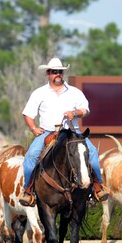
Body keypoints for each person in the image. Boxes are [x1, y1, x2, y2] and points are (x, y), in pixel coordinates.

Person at [19, 58, 106, 205]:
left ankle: (97, 187)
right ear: (48, 73)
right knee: (31, 157)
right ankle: (28, 190)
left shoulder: (75, 92)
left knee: (92, 154)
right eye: (54, 72)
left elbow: (86, 110)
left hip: (72, 133)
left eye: (60, 71)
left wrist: (75, 113)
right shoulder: (39, 93)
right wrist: (33, 128)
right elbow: (27, 114)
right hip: (48, 132)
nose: (57, 74)